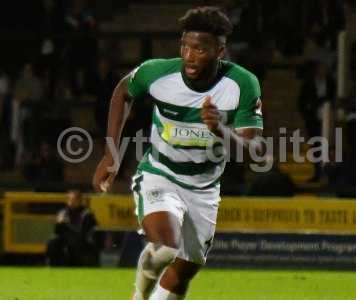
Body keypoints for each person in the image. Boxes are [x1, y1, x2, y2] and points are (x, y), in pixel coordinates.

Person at [92, 6, 264, 300]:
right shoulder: (158, 73)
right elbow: (123, 92)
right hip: (160, 174)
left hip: (205, 188)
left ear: (220, 51)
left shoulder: (241, 84)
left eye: (199, 49)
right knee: (165, 246)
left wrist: (221, 130)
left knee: (183, 275)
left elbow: (254, 149)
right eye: (184, 46)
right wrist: (111, 153)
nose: (189, 56)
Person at [46, 190, 98, 266]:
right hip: (65, 238)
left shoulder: (86, 213)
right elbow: (56, 231)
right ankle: (52, 265)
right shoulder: (64, 212)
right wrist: (59, 223)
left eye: (73, 200)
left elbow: (84, 232)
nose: (71, 202)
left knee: (75, 243)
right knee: (53, 242)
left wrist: (68, 224)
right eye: (70, 200)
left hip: (81, 239)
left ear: (79, 201)